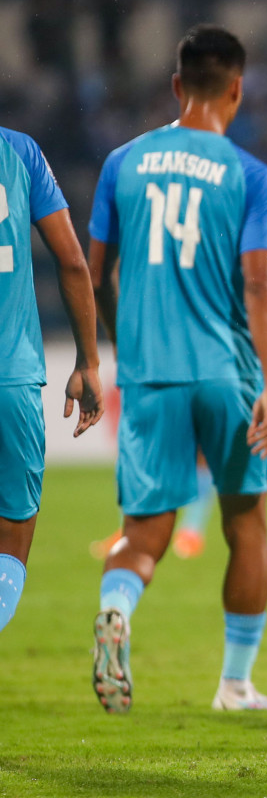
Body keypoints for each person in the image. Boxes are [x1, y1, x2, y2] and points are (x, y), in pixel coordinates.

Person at [87, 25, 267, 713]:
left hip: (150, 375)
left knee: (144, 534)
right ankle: (235, 685)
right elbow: (260, 285)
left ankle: (118, 609)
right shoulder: (251, 176)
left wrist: (118, 348)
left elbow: (95, 274)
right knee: (246, 525)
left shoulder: (122, 164)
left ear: (176, 86)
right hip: (227, 373)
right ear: (237, 89)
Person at [0, 126, 104, 633]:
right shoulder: (20, 152)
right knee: (11, 544)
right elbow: (72, 260)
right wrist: (88, 362)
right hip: (11, 379)